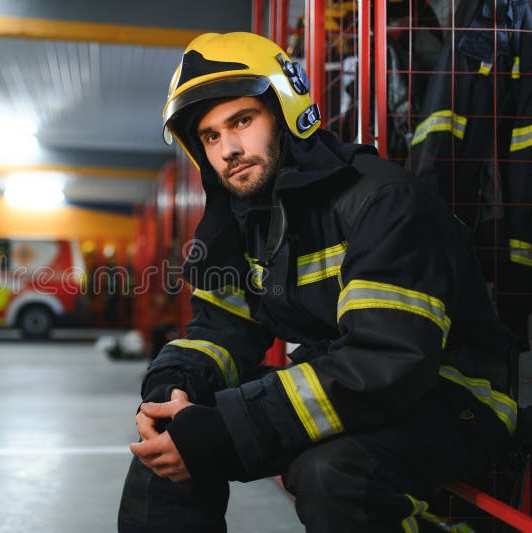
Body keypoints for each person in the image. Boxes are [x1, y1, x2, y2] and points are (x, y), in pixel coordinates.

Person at [117, 32, 519, 532]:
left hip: (454, 394)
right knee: (166, 447)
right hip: (353, 387)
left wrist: (228, 426)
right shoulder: (243, 223)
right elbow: (218, 332)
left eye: (242, 120)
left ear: (286, 110)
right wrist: (172, 393)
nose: (229, 150)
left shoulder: (381, 201)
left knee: (333, 475)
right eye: (211, 136)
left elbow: (386, 361)